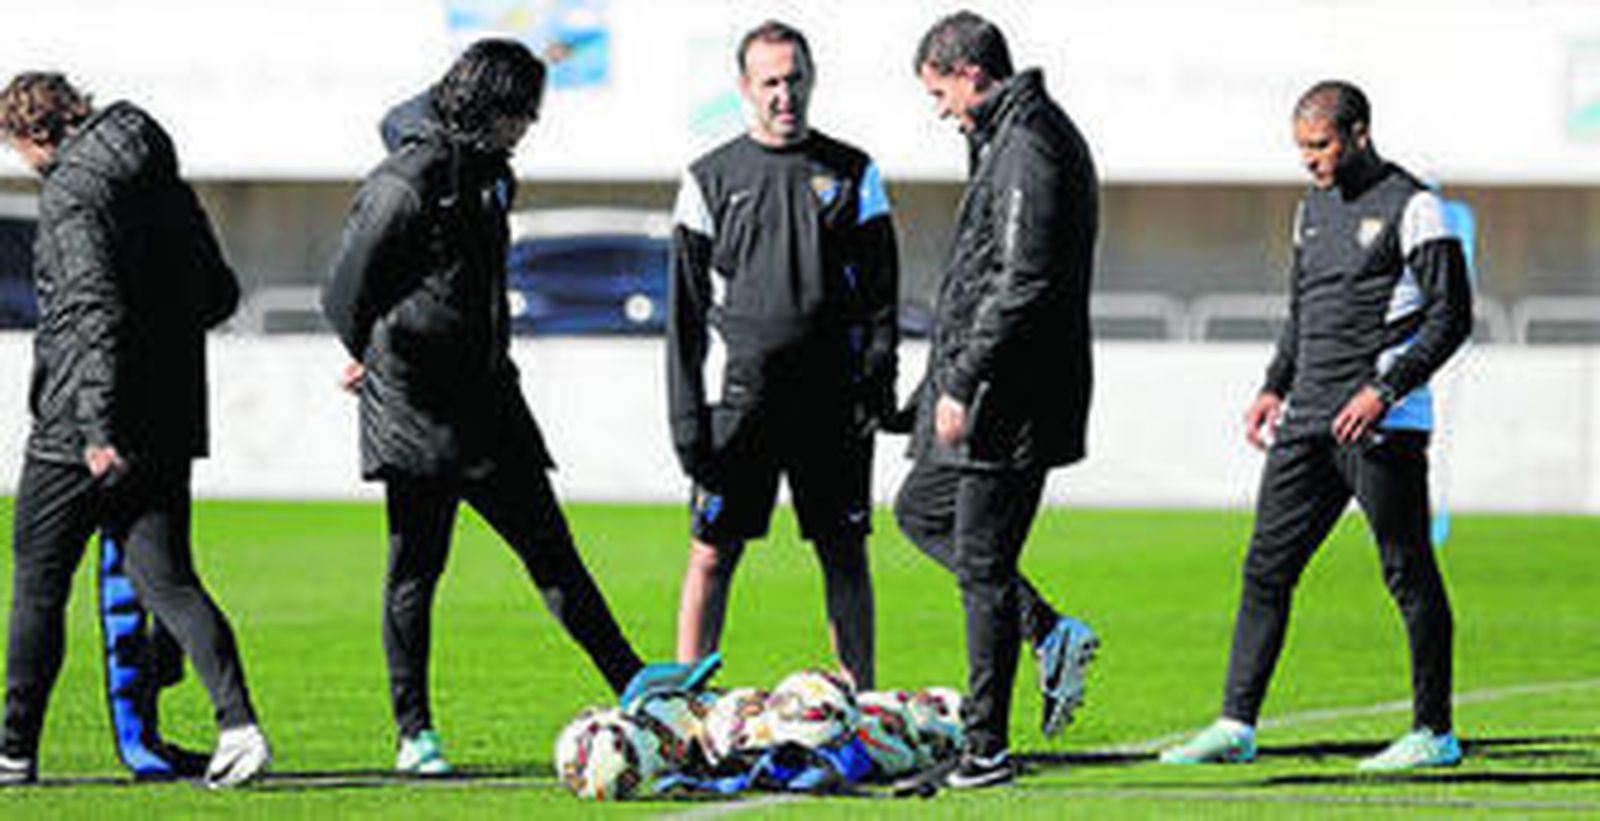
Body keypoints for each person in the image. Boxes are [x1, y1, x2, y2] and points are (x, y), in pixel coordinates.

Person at [323, 39, 664, 776]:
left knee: (553, 553)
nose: (529, 128)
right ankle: (414, 733)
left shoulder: (490, 173)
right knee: (417, 566)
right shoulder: (405, 182)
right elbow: (342, 289)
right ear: (489, 107)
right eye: (522, 115)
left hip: (488, 397)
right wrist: (371, 352)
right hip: (415, 405)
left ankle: (636, 687)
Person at [1159, 80, 1472, 771]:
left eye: (1322, 145)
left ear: (1359, 133)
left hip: (1380, 426)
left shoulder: (1416, 206)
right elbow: (1302, 309)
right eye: (1302, 148)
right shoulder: (1311, 207)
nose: (1312, 161)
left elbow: (1453, 317)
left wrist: (1384, 390)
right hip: (1306, 420)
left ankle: (1434, 732)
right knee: (1266, 568)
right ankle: (1235, 724)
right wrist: (1274, 383)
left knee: (1407, 569)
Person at [0, 72, 269, 788]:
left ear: (33, 135)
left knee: (37, 585)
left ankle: (13, 752)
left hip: (81, 426)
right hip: (169, 419)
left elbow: (92, 309)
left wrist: (95, 424)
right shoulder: (162, 177)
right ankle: (239, 727)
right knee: (169, 580)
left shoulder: (69, 192)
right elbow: (218, 294)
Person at [893, 11, 1100, 789]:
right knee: (920, 509)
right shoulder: (1004, 139)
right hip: (991, 386)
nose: (939, 108)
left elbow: (1024, 282)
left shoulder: (1030, 146)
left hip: (1014, 396)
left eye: (939, 91)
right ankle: (1047, 631)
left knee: (981, 562)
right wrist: (923, 391)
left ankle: (984, 749)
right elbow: (985, 276)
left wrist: (962, 379)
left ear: (971, 75)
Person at [666, 20, 898, 691]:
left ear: (812, 78)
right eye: (770, 82)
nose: (784, 94)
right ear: (745, 87)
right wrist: (686, 419)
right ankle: (686, 702)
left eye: (794, 78)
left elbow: (883, 296)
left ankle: (861, 703)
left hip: (832, 406)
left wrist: (877, 385)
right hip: (740, 404)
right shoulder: (709, 178)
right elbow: (682, 317)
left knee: (844, 554)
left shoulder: (855, 172)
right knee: (712, 555)